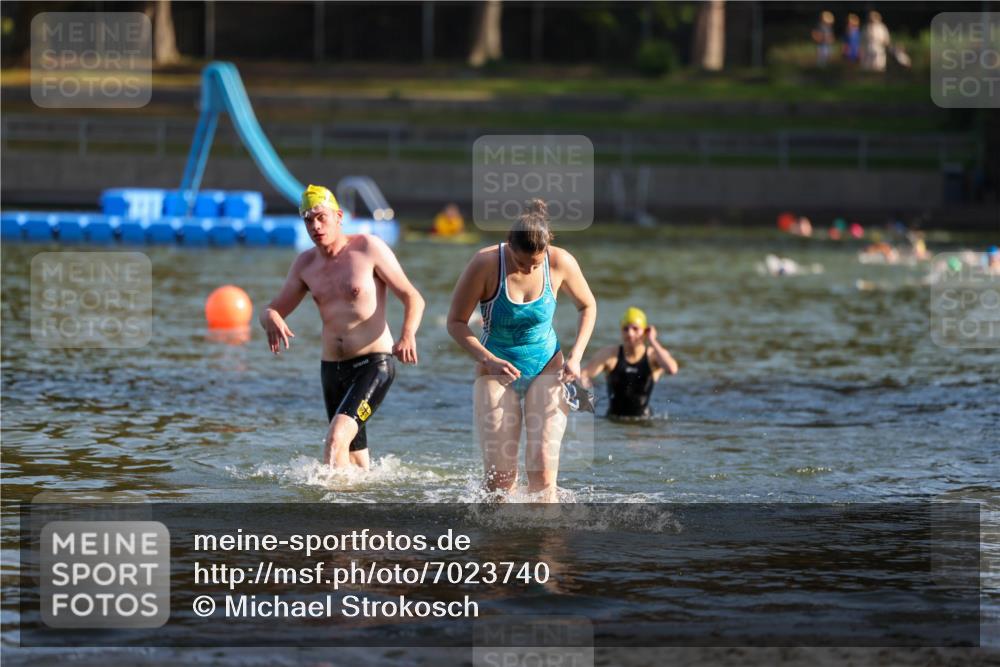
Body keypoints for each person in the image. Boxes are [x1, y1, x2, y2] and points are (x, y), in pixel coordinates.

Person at [260, 185, 425, 470]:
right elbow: (271, 310)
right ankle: (361, 509)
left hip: (373, 365)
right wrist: (271, 318)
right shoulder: (305, 264)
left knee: (335, 440)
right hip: (332, 371)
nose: (315, 226)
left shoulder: (368, 248)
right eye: (308, 220)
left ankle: (332, 514)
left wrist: (407, 334)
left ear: (338, 216)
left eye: (321, 217)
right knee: (355, 461)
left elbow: (413, 297)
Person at [446, 199, 596, 502]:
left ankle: (544, 546)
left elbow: (587, 305)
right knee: (501, 480)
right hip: (495, 372)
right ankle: (501, 546)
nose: (528, 268)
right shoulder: (485, 263)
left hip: (547, 367)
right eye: (521, 262)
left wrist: (577, 357)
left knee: (541, 471)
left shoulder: (561, 261)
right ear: (508, 246)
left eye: (535, 264)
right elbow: (456, 323)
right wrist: (488, 359)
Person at [581, 307, 679, 419]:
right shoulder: (610, 355)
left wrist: (653, 341)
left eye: (635, 329)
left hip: (644, 420)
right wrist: (586, 392)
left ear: (645, 331)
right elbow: (582, 375)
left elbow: (672, 369)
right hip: (614, 420)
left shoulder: (653, 356)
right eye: (625, 329)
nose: (630, 333)